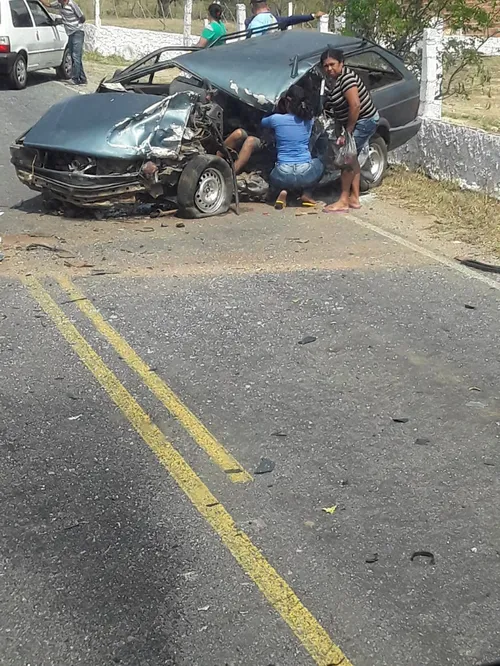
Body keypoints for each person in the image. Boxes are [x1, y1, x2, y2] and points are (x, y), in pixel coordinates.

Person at [320, 48, 379, 212]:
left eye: (332, 64)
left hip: (364, 121)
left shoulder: (347, 78)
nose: (329, 69)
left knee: (347, 158)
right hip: (357, 122)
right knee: (353, 158)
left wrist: (349, 131)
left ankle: (343, 200)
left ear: (341, 63)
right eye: (326, 66)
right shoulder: (334, 79)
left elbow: (355, 105)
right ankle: (354, 198)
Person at [260, 84, 324, 209]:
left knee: (273, 164)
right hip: (305, 172)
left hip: (282, 174)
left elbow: (262, 121)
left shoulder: (276, 119)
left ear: (287, 101)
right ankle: (307, 193)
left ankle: (282, 191)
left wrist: (276, 107)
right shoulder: (309, 121)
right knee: (320, 163)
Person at [43, 0, 87, 85]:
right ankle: (82, 79)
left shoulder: (72, 4)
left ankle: (76, 79)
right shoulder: (59, 4)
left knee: (75, 56)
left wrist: (74, 25)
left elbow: (82, 18)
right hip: (70, 33)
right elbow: (48, 5)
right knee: (74, 56)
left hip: (77, 32)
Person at [246, 0, 326, 37]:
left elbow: (250, 41)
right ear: (267, 7)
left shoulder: (255, 21)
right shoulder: (275, 19)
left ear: (252, 6)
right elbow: (291, 19)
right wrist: (312, 16)